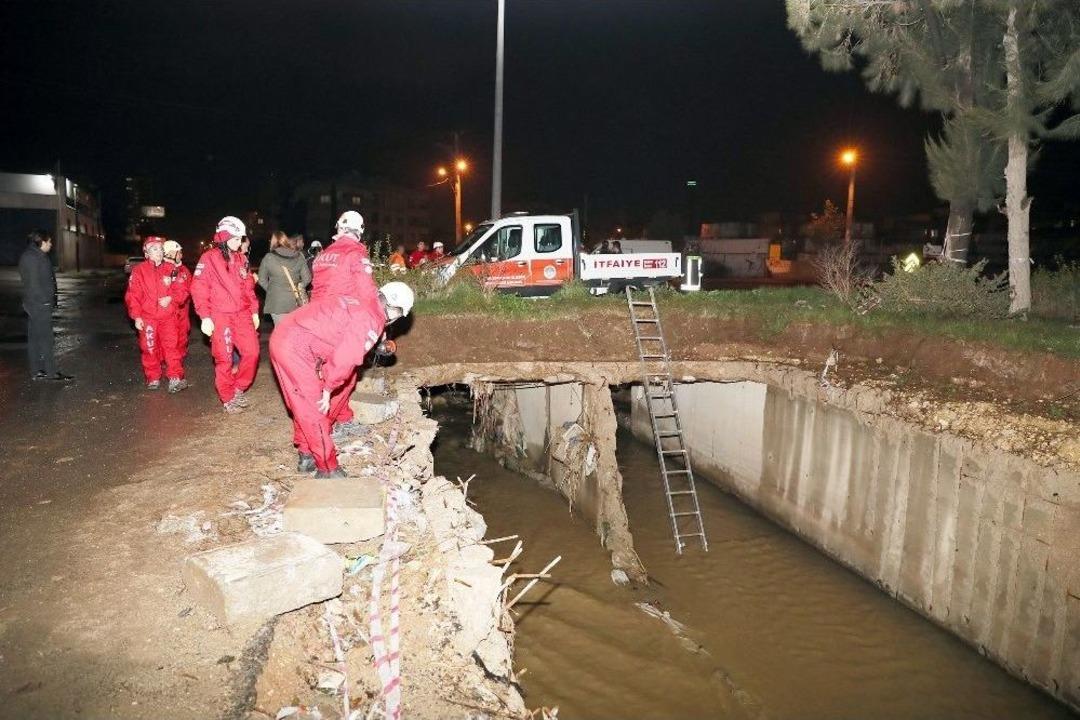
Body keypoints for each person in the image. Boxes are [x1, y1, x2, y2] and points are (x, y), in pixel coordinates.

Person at [270, 281, 414, 477]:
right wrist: (327, 389)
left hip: (301, 337)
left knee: (348, 381)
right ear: (395, 310)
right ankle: (327, 469)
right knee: (312, 407)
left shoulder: (368, 301)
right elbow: (345, 358)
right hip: (294, 346)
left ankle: (307, 452)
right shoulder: (370, 319)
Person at [191, 216, 260, 413]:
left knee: (252, 353)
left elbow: (248, 288)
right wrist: (205, 316)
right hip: (220, 315)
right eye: (236, 239)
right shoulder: (209, 258)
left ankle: (238, 387)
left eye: (241, 239)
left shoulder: (241, 259)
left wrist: (254, 311)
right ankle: (228, 397)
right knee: (224, 358)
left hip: (242, 314)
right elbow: (199, 288)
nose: (240, 243)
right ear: (225, 237)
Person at [125, 237, 189, 391]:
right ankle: (153, 377)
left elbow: (182, 290)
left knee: (172, 347)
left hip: (168, 318)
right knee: (149, 347)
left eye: (160, 249)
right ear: (146, 253)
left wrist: (171, 298)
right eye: (154, 249)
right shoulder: (139, 271)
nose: (158, 252)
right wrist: (137, 316)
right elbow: (133, 295)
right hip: (148, 318)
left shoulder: (172, 269)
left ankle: (175, 377)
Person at [18, 230, 71, 382]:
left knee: (35, 338)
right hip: (38, 305)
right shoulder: (32, 258)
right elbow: (33, 285)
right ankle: (51, 372)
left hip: (37, 304)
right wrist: (45, 300)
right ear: (41, 242)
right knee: (46, 339)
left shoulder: (37, 255)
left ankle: (37, 371)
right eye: (49, 241)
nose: (51, 244)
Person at [258, 231, 311, 324]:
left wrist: (273, 290)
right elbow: (307, 278)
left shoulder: (269, 257)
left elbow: (262, 280)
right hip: (295, 301)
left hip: (277, 303)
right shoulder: (299, 255)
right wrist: (299, 287)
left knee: (280, 330)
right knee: (294, 330)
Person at [163, 240, 192, 365]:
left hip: (183, 310)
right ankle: (169, 360)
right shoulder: (161, 269)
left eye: (180, 252)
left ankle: (178, 360)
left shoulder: (184, 270)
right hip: (168, 311)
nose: (181, 255)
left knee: (182, 335)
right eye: (178, 252)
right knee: (168, 337)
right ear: (170, 253)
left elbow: (191, 287)